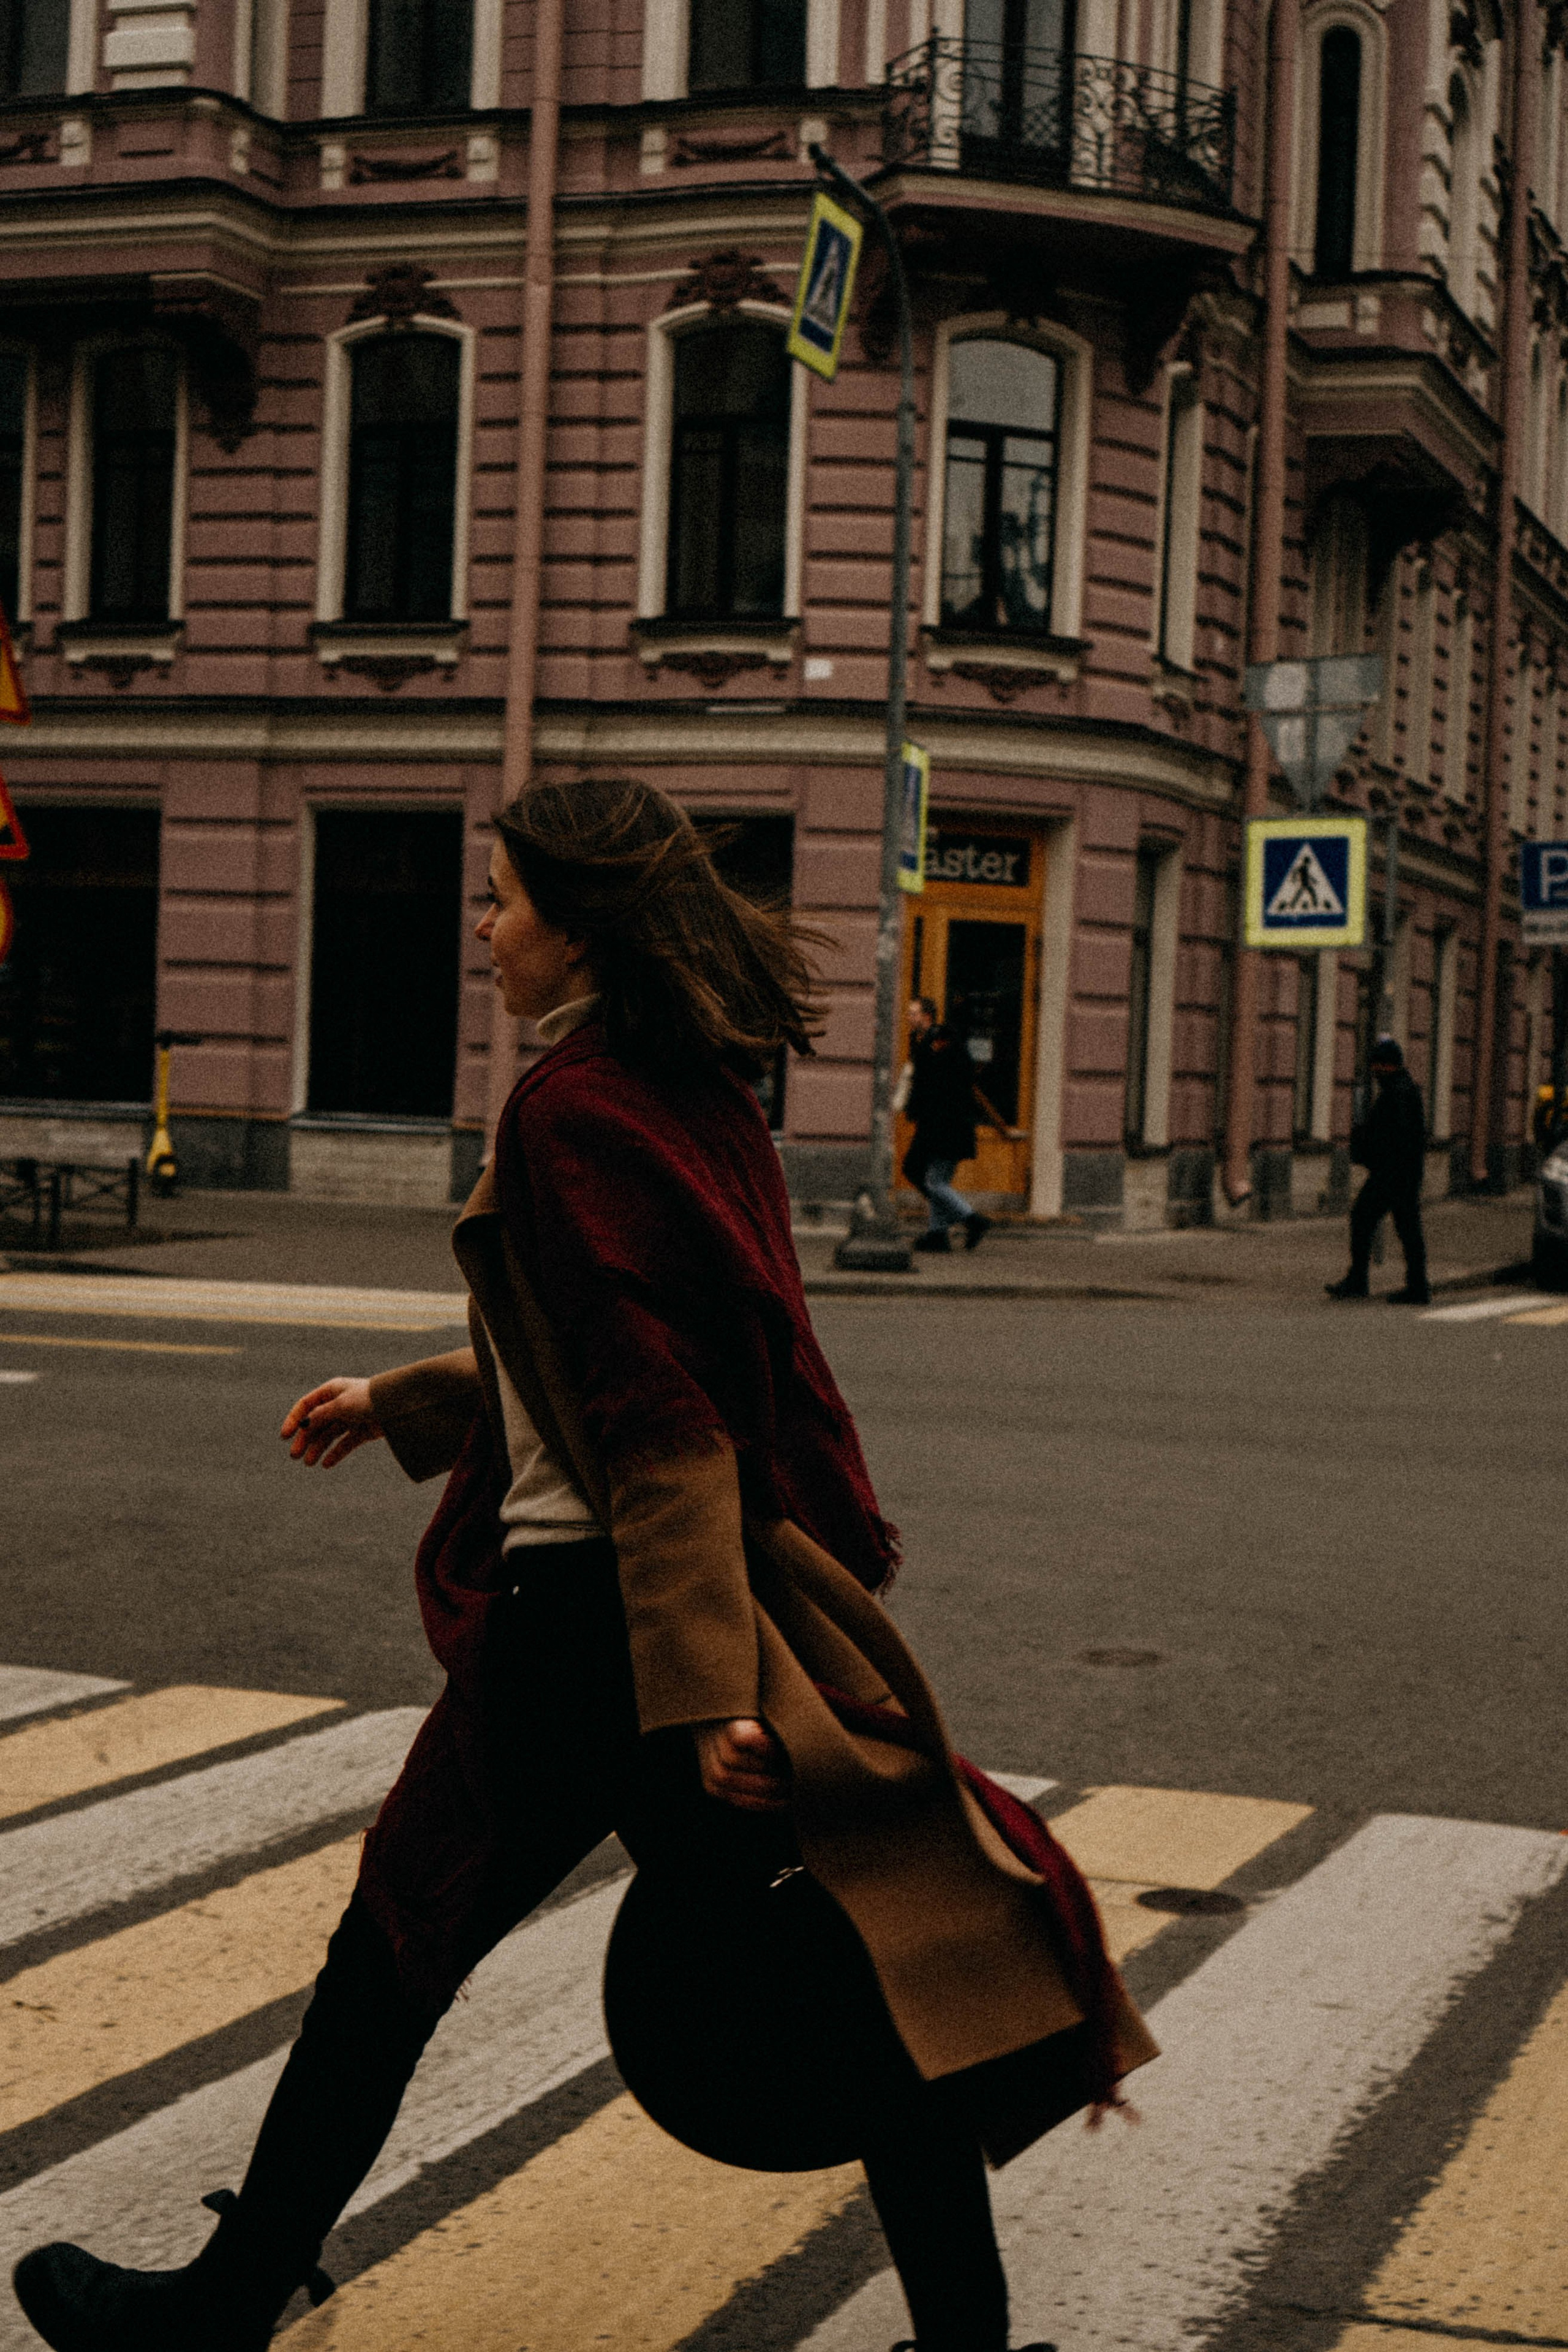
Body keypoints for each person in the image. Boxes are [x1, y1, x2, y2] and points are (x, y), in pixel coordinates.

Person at [14, 780, 1154, 2352]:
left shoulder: (573, 1107)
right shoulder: (694, 1091)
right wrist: (402, 1397)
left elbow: (658, 1415)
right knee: (818, 1956)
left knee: (394, 1941)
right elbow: (594, 1342)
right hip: (650, 1609)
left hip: (589, 1619)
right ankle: (965, 2336)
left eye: (500, 899)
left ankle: (221, 2300)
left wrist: (696, 1698)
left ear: (581, 919)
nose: (483, 928)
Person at [901, 997, 1011, 1254]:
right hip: (942, 1123)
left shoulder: (941, 1042)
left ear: (927, 1017)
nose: (908, 1018)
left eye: (913, 1013)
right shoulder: (928, 1042)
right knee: (933, 1178)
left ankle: (973, 1220)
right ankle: (938, 1235)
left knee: (932, 1179)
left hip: (945, 1124)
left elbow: (937, 1081)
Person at [1327, 1036, 1430, 1305]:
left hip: (1393, 1175)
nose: (1374, 1072)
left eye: (1377, 1067)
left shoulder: (1398, 1093)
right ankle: (1415, 1285)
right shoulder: (1403, 1089)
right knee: (1403, 1228)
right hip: (1400, 1174)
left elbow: (1394, 1136)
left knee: (1367, 1218)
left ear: (1386, 1066)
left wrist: (1372, 1153)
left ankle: (1364, 1280)